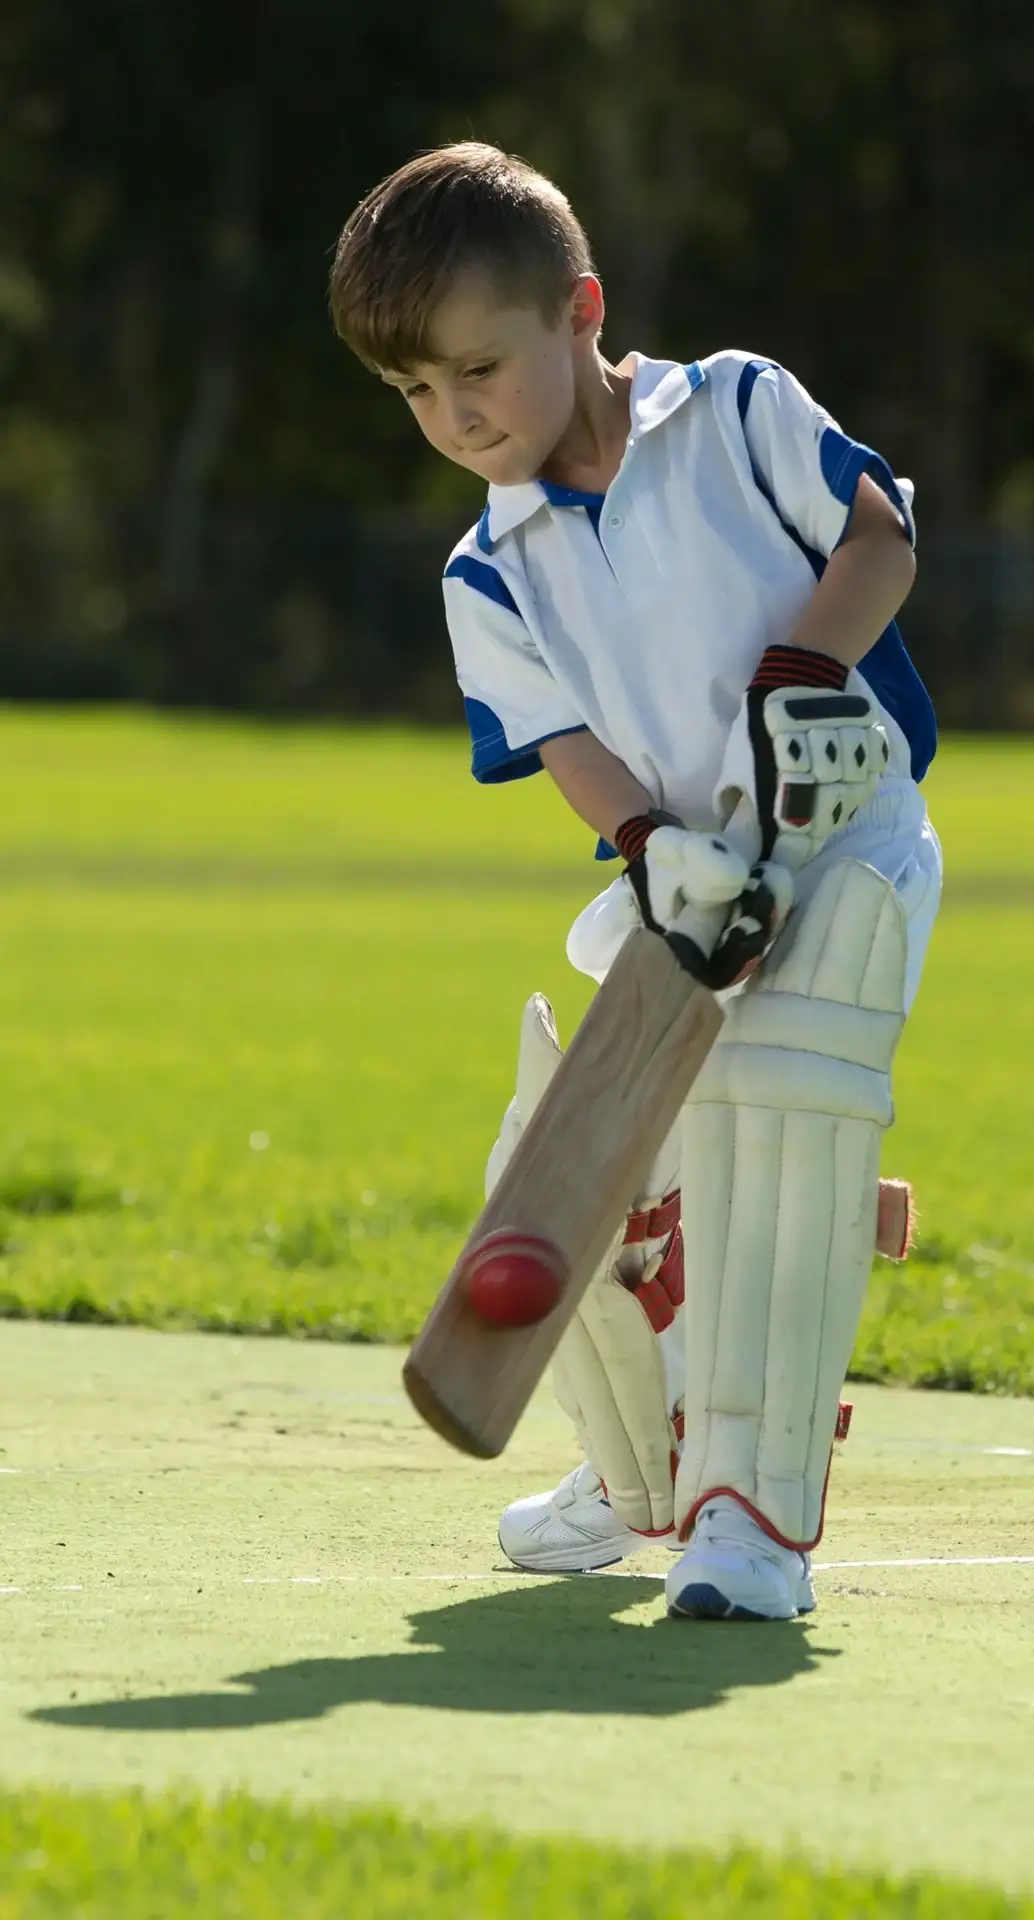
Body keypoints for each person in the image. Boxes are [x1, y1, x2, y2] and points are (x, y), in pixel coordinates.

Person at [330, 141, 942, 1622]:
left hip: (842, 843)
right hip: (686, 884)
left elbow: (882, 535)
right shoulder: (489, 574)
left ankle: (751, 1517)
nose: (454, 415)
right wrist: (653, 849)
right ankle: (640, 1465)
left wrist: (804, 669)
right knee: (562, 1167)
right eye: (415, 392)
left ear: (583, 311)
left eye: (479, 367)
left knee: (770, 1128)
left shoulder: (734, 408)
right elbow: (566, 745)